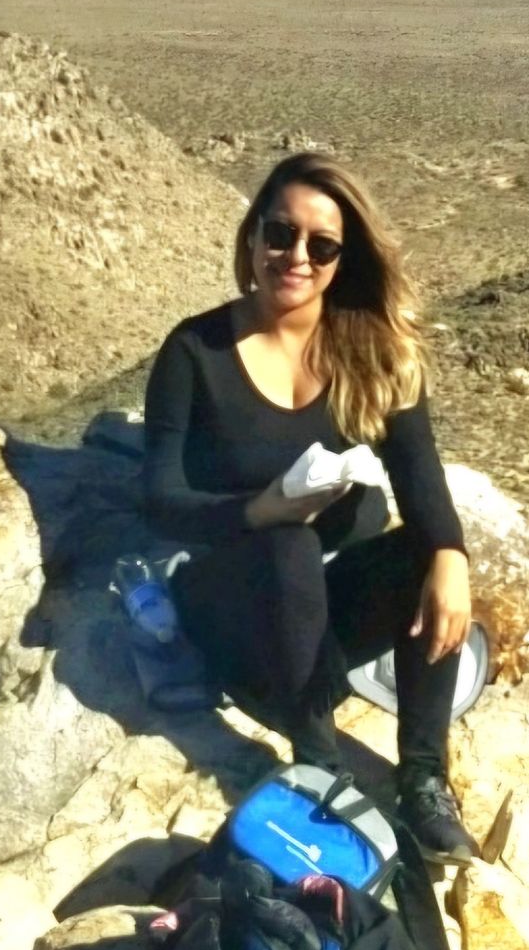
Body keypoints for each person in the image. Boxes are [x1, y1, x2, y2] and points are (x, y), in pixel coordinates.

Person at [141, 151, 479, 860]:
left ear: (342, 260)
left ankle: (423, 778)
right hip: (229, 607)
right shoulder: (195, 351)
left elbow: (419, 478)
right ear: (252, 236)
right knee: (287, 543)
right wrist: (257, 512)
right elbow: (160, 501)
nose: (295, 256)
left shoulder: (372, 353)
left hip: (313, 622)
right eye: (279, 234)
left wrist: (449, 558)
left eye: (320, 246)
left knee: (426, 555)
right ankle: (320, 767)